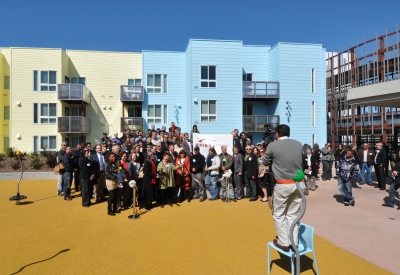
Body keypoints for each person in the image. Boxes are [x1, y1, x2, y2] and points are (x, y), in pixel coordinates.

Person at [261, 124, 303, 252]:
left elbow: (265, 162)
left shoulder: (273, 145)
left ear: (277, 134)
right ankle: (293, 242)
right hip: (298, 184)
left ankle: (284, 242)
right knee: (293, 214)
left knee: (279, 214)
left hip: (283, 183)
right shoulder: (298, 144)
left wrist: (267, 151)